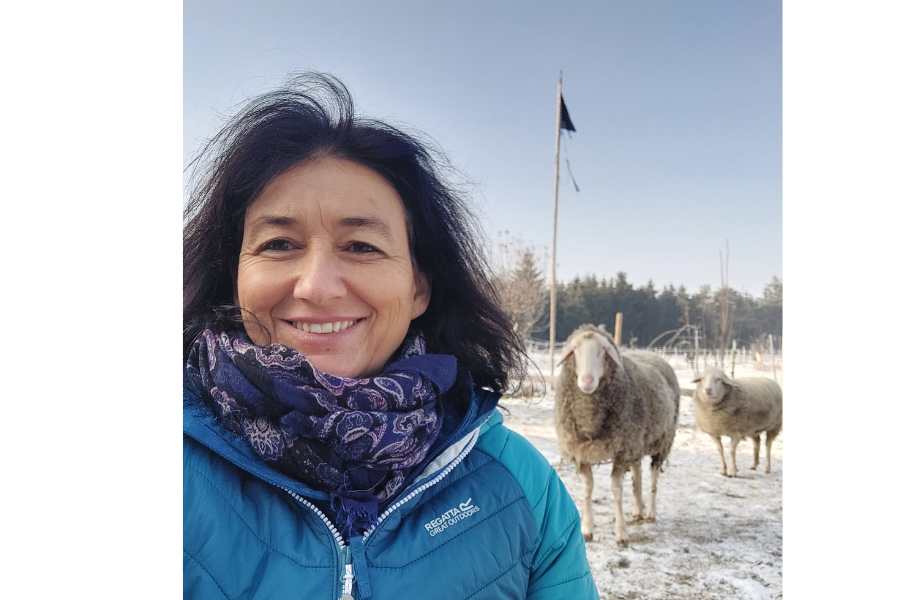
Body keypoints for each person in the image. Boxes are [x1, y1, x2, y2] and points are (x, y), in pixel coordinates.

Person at [183, 73, 599, 599]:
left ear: (419, 286)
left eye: (361, 247)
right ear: (233, 273)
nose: (316, 286)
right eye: (279, 243)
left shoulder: (520, 487)